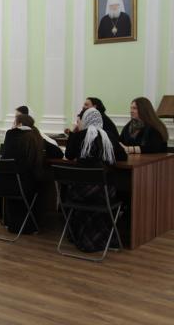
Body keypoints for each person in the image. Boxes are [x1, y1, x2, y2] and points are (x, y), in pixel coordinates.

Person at [64, 108, 128, 252]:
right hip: (102, 193)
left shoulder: (79, 136)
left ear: (85, 120)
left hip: (78, 192)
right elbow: (123, 157)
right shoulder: (108, 136)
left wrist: (74, 133)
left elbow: (68, 155)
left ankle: (78, 235)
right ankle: (103, 238)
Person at [0, 114, 44, 233]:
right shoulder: (36, 136)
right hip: (26, 187)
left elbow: (5, 157)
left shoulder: (10, 134)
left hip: (3, 187)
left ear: (19, 124)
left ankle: (5, 220)